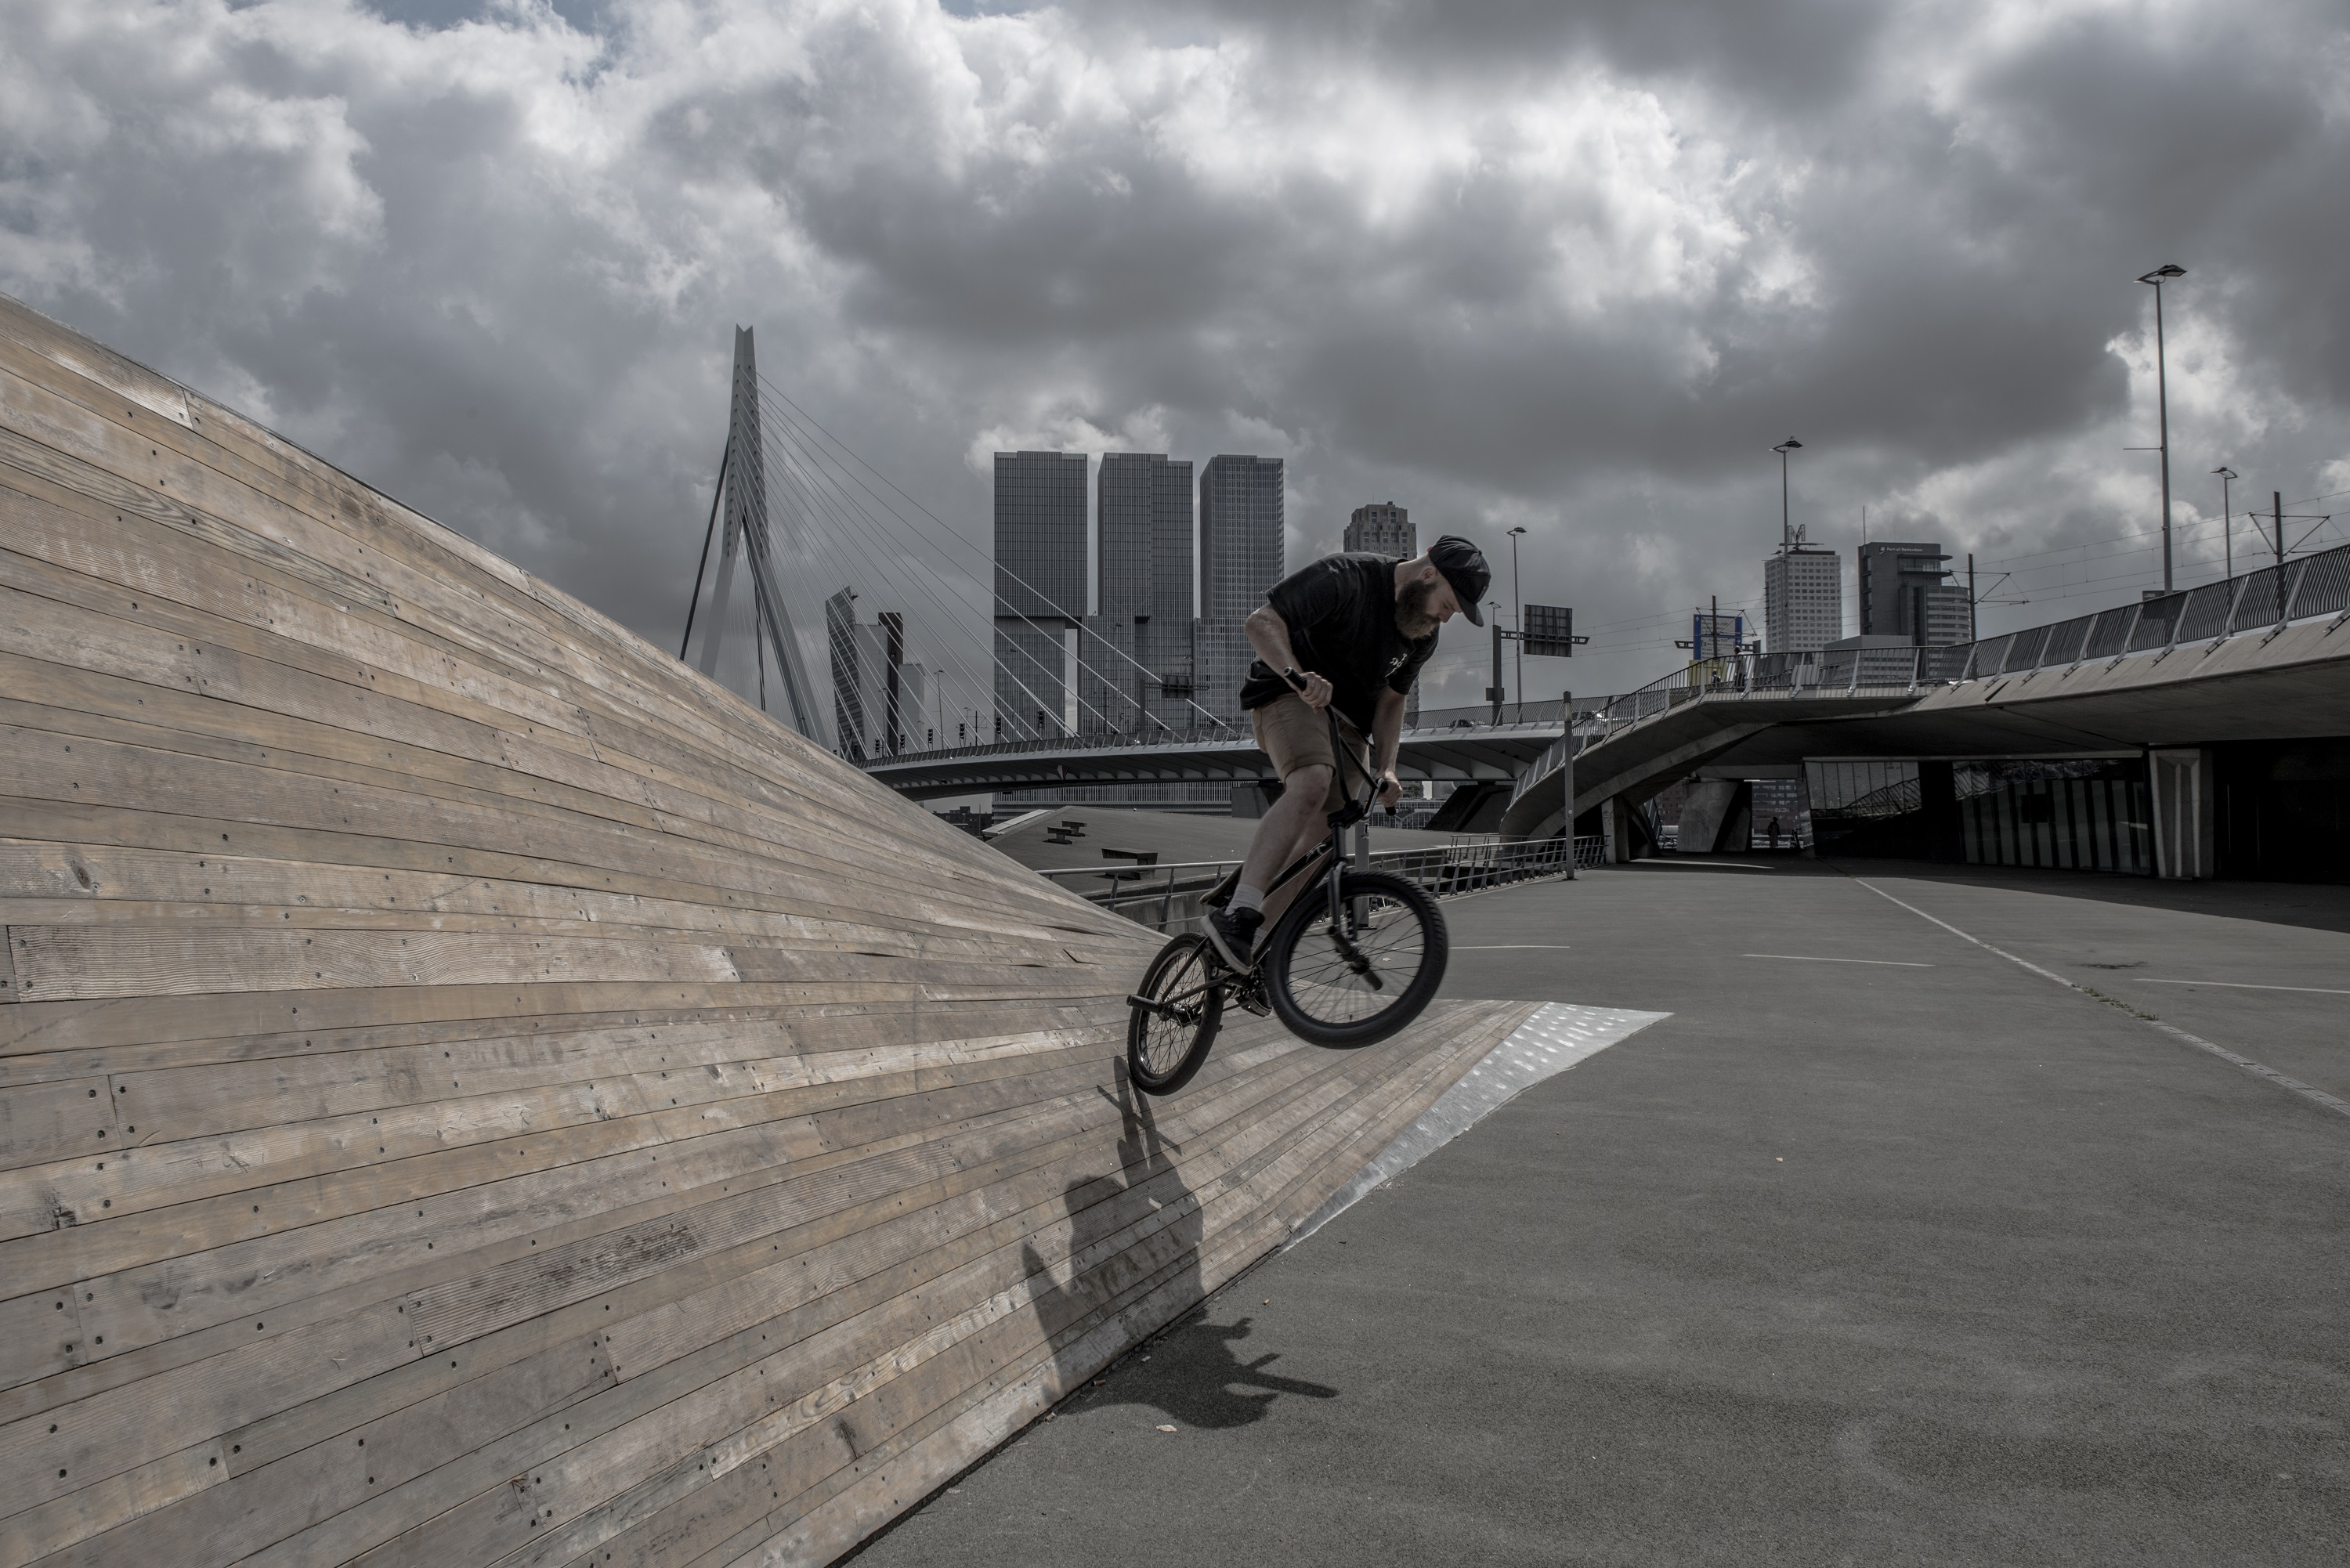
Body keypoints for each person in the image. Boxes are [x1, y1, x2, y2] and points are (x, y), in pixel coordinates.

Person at [1204, 535, 1491, 970]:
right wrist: (1299, 676)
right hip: (1289, 695)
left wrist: (1388, 768)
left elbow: (1392, 701)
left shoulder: (1421, 635)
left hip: (1351, 726)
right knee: (1313, 781)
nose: (1445, 618)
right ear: (1428, 575)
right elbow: (1261, 623)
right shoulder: (1346, 577)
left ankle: (1256, 948)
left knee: (1330, 832)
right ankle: (1237, 914)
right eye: (1448, 605)